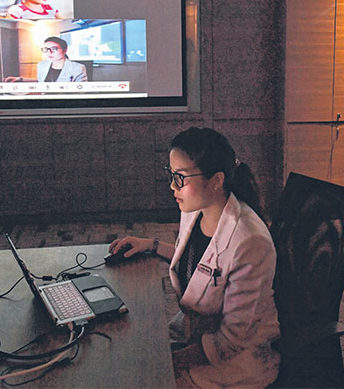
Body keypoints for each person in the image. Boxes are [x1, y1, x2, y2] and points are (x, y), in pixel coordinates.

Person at [108, 127, 280, 388]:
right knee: (127, 349)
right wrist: (152, 245)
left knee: (144, 378)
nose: (172, 186)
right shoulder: (197, 208)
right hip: (196, 331)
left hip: (237, 357)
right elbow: (201, 264)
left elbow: (232, 340)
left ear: (216, 180)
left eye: (181, 178)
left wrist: (168, 362)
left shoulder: (250, 242)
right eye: (171, 175)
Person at [4, 37, 86, 83]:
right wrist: (19, 79)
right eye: (46, 49)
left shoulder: (78, 68)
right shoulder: (42, 65)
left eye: (54, 49)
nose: (49, 52)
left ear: (65, 50)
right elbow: (40, 81)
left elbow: (80, 93)